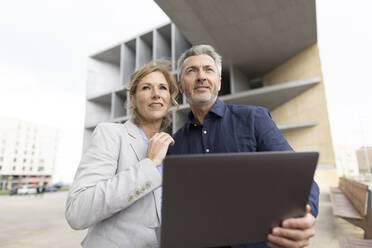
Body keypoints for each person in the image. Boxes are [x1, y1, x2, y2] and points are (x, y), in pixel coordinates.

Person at [167, 45, 319, 248]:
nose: (201, 76)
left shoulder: (255, 119)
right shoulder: (174, 146)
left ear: (219, 83)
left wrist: (305, 213)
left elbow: (297, 178)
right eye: (191, 71)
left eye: (208, 70)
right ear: (181, 87)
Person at [65, 61, 178, 248]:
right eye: (146, 87)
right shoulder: (110, 134)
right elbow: (77, 212)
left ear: (170, 99)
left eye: (163, 88)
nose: (156, 94)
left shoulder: (171, 147)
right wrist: (150, 164)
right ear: (133, 99)